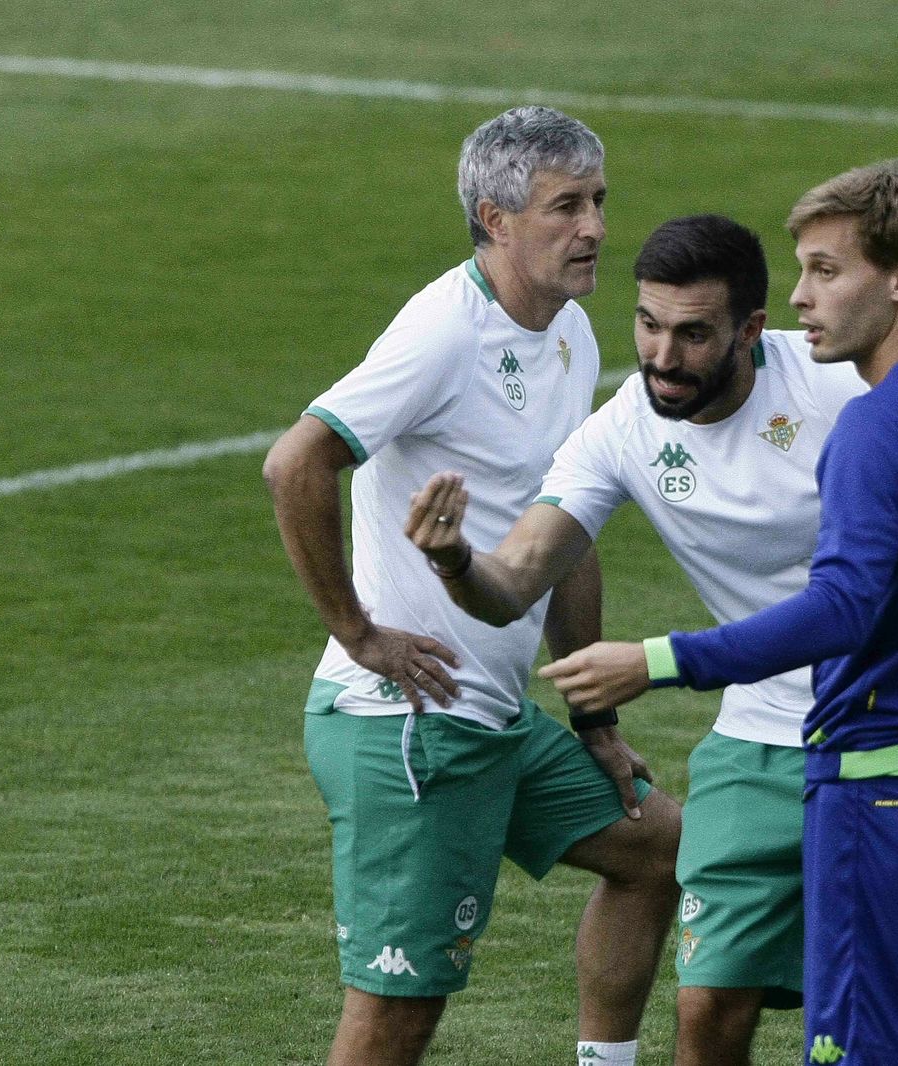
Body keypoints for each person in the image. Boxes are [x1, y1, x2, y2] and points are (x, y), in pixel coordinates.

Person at [407, 207, 898, 1064]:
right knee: (708, 1004)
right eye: (648, 326)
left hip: (881, 739)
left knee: (876, 1024)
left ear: (751, 330)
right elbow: (514, 581)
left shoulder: (844, 384)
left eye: (692, 335)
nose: (662, 357)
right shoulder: (620, 434)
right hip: (755, 738)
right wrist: (455, 561)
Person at [262, 106, 680, 1066]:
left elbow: (566, 530)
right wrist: (360, 632)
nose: (596, 229)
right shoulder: (442, 335)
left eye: (600, 201)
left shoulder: (569, 330)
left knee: (656, 850)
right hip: (408, 726)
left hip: (493, 720)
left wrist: (596, 723)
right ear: (495, 219)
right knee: (398, 1011)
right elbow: (296, 464)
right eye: (565, 207)